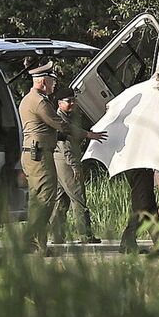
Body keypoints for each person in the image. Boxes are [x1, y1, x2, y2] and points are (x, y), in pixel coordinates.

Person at [19, 62, 106, 253]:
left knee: (38, 199)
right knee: (45, 199)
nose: (54, 85)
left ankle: (30, 241)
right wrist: (87, 134)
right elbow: (61, 125)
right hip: (40, 156)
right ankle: (39, 245)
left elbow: (48, 130)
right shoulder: (40, 102)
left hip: (34, 154)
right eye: (52, 81)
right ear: (42, 81)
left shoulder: (28, 99)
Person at [49, 87, 101, 244]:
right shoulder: (62, 120)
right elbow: (67, 147)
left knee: (61, 199)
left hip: (59, 162)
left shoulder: (68, 117)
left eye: (74, 100)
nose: (72, 103)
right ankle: (85, 235)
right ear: (59, 103)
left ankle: (57, 235)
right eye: (68, 101)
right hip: (66, 162)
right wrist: (75, 167)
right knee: (78, 197)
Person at [119, 169, 159, 253]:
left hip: (142, 168)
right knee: (143, 205)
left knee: (150, 207)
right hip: (139, 167)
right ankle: (127, 240)